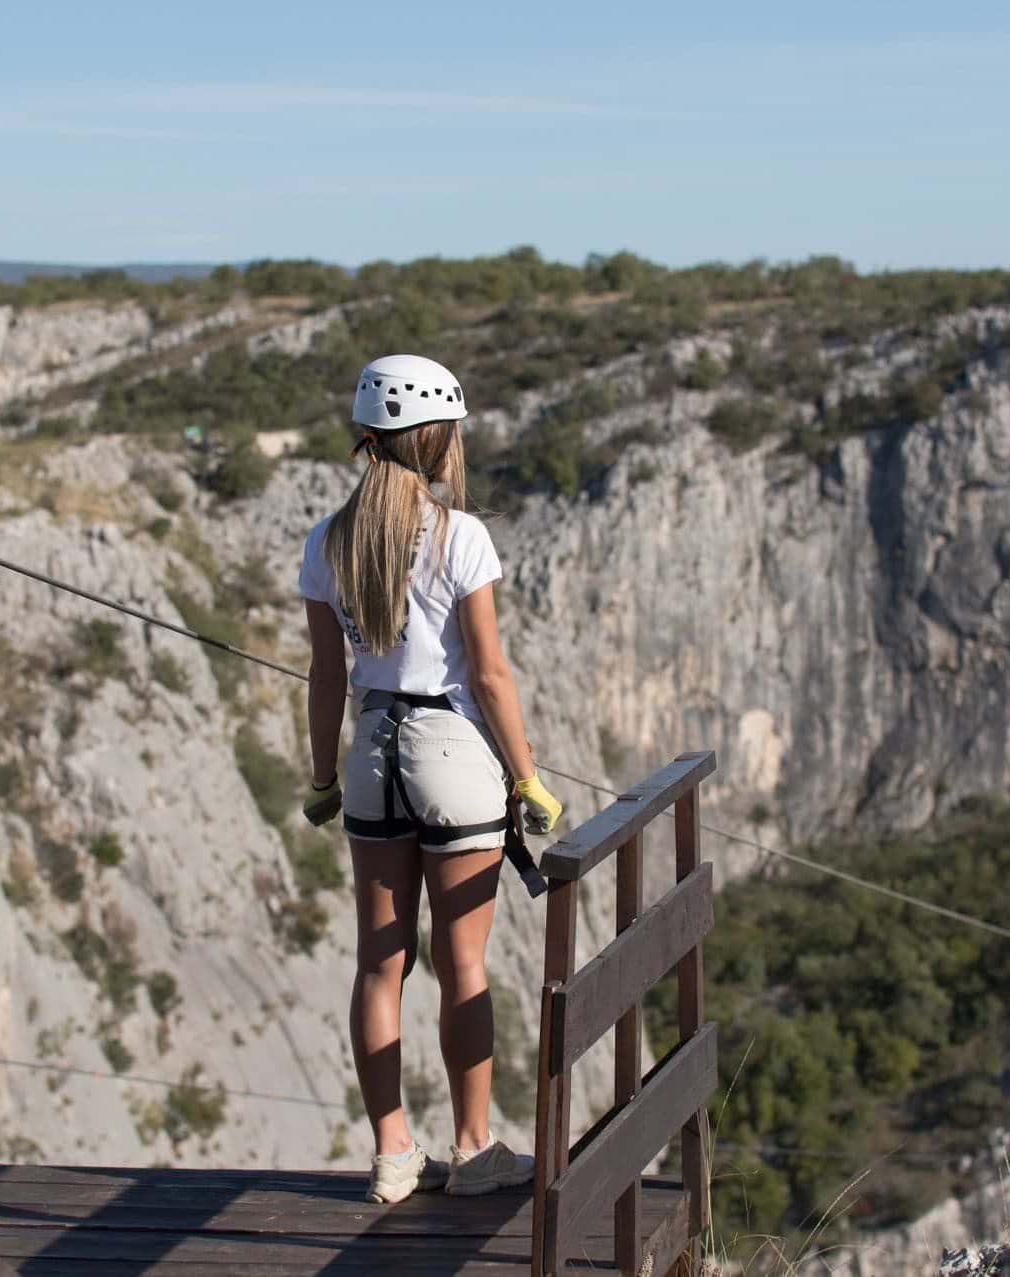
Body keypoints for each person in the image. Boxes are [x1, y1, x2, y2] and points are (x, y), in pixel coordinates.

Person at [298, 353, 564, 1205]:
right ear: (439, 437)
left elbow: (327, 675)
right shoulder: (460, 536)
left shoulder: (327, 542)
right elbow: (489, 675)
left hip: (372, 750)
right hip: (451, 753)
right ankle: (474, 1148)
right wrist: (528, 779)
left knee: (381, 964)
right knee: (464, 966)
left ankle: (392, 1151)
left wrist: (319, 776)